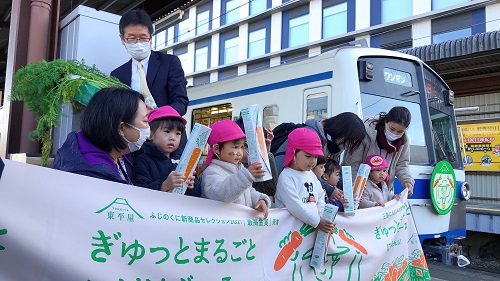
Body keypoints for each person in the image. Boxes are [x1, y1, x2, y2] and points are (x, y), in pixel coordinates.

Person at [110, 9, 189, 157]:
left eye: (143, 38)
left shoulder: (170, 63)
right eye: (132, 38)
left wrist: (156, 116)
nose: (138, 43)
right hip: (134, 148)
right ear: (122, 39)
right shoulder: (117, 75)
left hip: (170, 146)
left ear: (151, 38)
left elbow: (181, 102)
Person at [53, 87, 149, 184]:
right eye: (145, 121)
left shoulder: (115, 148)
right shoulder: (92, 177)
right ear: (121, 128)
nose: (148, 127)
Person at [201, 120, 271, 219]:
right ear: (217, 149)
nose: (239, 152)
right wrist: (246, 176)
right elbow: (221, 194)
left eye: (242, 147)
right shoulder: (211, 171)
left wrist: (260, 200)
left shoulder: (239, 168)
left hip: (238, 226)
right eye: (235, 147)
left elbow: (249, 191)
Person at [342, 106, 414, 196]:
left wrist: (407, 181)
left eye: (400, 132)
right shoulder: (364, 133)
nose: (394, 134)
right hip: (361, 189)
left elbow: (402, 164)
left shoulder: (403, 141)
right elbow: (353, 163)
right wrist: (353, 187)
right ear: (385, 122)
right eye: (392, 129)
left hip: (383, 189)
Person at [274, 128, 335, 233]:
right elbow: (294, 205)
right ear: (293, 153)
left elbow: (320, 196)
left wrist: (321, 215)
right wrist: (317, 221)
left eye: (315, 157)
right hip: (288, 233)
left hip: (310, 230)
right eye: (308, 156)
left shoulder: (311, 174)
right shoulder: (286, 176)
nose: (313, 161)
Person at [132, 106, 199, 196]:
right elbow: (138, 191)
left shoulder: (183, 160)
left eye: (178, 134)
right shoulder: (143, 160)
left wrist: (191, 186)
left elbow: (197, 193)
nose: (172, 138)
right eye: (167, 131)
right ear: (150, 134)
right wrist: (164, 185)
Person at [273, 112, 366, 174]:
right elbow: (282, 162)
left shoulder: (334, 146)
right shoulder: (310, 136)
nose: (348, 146)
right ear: (341, 131)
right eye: (349, 140)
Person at [234, 117, 278, 197]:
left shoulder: (259, 161)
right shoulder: (234, 168)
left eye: (261, 144)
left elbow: (272, 190)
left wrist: (266, 156)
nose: (258, 149)